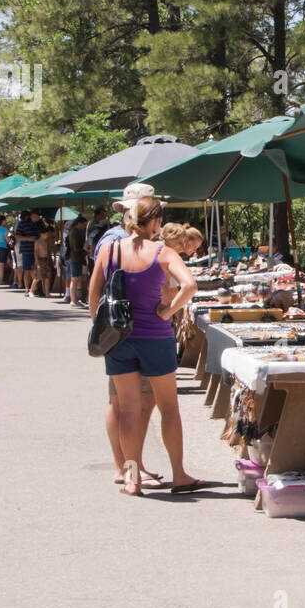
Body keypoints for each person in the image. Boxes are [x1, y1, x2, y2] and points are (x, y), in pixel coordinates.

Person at [88, 194, 215, 496]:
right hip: (155, 338)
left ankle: (132, 479)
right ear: (156, 221)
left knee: (128, 410)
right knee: (169, 408)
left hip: (119, 340)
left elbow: (93, 296)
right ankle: (180, 475)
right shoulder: (162, 252)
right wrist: (169, 312)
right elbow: (190, 285)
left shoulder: (109, 250)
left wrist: (102, 328)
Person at [93, 183, 162, 487]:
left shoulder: (113, 239)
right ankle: (126, 466)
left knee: (123, 402)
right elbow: (99, 289)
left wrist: (102, 327)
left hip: (119, 333)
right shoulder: (122, 241)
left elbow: (96, 293)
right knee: (129, 403)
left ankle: (130, 465)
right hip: (134, 332)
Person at [64, 214, 89, 307]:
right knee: (74, 279)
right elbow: (75, 247)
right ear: (80, 223)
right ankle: (73, 300)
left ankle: (74, 299)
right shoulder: (75, 232)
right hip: (75, 257)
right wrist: (84, 250)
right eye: (84, 224)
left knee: (75, 278)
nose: (84, 227)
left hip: (73, 256)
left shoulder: (73, 231)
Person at [14, 210, 41, 292]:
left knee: (35, 269)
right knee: (27, 270)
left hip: (37, 249)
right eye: (36, 216)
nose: (37, 218)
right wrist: (28, 239)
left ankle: (35, 288)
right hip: (26, 249)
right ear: (32, 215)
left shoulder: (39, 224)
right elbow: (17, 236)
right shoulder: (23, 223)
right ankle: (26, 288)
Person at [29, 223, 55, 299]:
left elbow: (48, 251)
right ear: (42, 234)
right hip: (39, 260)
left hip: (46, 259)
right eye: (46, 234)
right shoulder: (38, 242)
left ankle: (47, 292)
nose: (47, 235)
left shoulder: (46, 242)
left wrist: (51, 259)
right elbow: (36, 253)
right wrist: (37, 263)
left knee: (47, 277)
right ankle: (31, 291)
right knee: (38, 277)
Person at [0, 215, 11, 285]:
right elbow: (7, 239)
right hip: (3, 247)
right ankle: (1, 280)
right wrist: (10, 241)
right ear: (2, 221)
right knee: (2, 265)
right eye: (5, 220)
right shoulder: (4, 229)